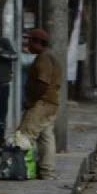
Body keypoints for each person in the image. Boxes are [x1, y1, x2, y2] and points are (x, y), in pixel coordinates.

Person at [16, 28, 62, 179]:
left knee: (24, 135)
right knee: (46, 137)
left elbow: (42, 82)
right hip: (52, 104)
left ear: (38, 42)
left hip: (41, 104)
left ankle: (19, 168)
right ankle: (47, 172)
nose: (27, 44)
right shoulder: (51, 56)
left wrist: (31, 101)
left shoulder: (43, 58)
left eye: (30, 41)